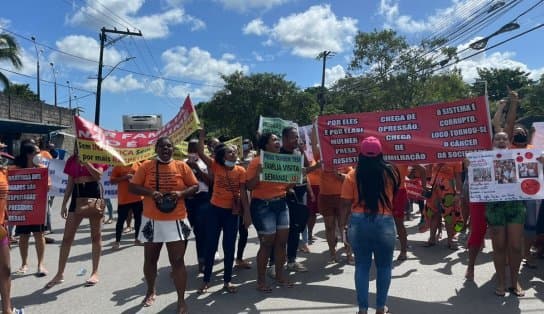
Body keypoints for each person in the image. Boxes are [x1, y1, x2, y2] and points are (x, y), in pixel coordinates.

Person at [129, 137, 198, 313]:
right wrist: (151, 193)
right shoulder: (146, 166)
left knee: (178, 261)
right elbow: (133, 187)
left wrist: (181, 193)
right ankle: (151, 290)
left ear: (173, 149)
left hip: (176, 220)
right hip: (152, 220)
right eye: (162, 146)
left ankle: (181, 300)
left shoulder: (182, 166)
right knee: (150, 260)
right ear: (156, 149)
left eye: (169, 146)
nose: (166, 149)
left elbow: (195, 186)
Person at [341, 136, 399, 314]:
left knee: (362, 266)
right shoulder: (391, 173)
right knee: (384, 267)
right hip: (385, 220)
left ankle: (362, 309)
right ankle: (381, 308)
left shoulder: (353, 175)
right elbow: (394, 196)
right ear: (381, 153)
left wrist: (343, 226)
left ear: (361, 154)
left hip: (359, 222)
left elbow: (345, 204)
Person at [45, 143, 108, 288]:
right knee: (67, 237)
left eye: (82, 144)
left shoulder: (96, 156)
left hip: (93, 194)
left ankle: (94, 272)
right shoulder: (71, 160)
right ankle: (60, 273)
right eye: (77, 145)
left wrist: (86, 162)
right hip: (77, 195)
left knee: (96, 236)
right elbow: (70, 184)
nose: (78, 147)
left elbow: (98, 176)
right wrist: (64, 204)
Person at [196, 130, 250, 294]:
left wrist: (246, 213)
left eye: (234, 151)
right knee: (211, 245)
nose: (233, 153)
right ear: (223, 155)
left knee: (229, 246)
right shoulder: (215, 165)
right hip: (215, 211)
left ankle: (227, 281)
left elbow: (242, 193)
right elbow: (200, 152)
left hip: (232, 214)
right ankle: (206, 280)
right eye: (230, 151)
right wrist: (202, 137)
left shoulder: (241, 170)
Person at [246, 132, 292, 292]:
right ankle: (261, 281)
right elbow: (249, 186)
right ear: (266, 145)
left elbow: (286, 187)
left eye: (278, 140)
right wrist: (259, 172)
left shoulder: (284, 161)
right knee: (266, 244)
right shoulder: (256, 162)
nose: (278, 142)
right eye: (274, 140)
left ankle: (279, 275)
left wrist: (293, 180)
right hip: (263, 207)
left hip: (281, 204)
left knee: (281, 243)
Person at [485, 131, 526, 297]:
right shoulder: (485, 158)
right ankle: (501, 281)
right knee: (499, 246)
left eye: (504, 138)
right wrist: (470, 165)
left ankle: (515, 281)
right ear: (493, 141)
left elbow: (531, 174)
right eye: (498, 138)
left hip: (515, 204)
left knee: (516, 246)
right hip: (495, 206)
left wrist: (540, 163)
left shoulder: (520, 156)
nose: (501, 140)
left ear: (510, 141)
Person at [13, 143, 49, 277]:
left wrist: (45, 183)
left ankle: (40, 264)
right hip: (22, 208)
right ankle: (24, 264)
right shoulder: (16, 169)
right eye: (36, 152)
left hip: (37, 208)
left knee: (39, 236)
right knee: (23, 237)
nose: (39, 155)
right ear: (28, 154)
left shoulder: (42, 169)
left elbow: (49, 185)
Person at [0, 145, 24, 314]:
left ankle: (7, 309)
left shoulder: (4, 171)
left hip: (1, 229)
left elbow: (28, 169)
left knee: (6, 269)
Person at [184, 139, 212, 274]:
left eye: (195, 148)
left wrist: (197, 169)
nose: (193, 150)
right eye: (190, 148)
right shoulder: (182, 164)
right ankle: (178, 263)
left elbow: (210, 182)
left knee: (201, 233)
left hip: (203, 199)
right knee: (183, 232)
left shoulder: (206, 162)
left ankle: (202, 261)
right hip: (188, 200)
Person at [110, 162, 143, 249]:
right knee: (120, 221)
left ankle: (137, 240)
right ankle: (117, 241)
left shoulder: (139, 165)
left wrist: (136, 177)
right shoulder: (118, 166)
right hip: (124, 199)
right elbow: (112, 181)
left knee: (138, 220)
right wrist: (125, 177)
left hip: (138, 198)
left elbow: (144, 179)